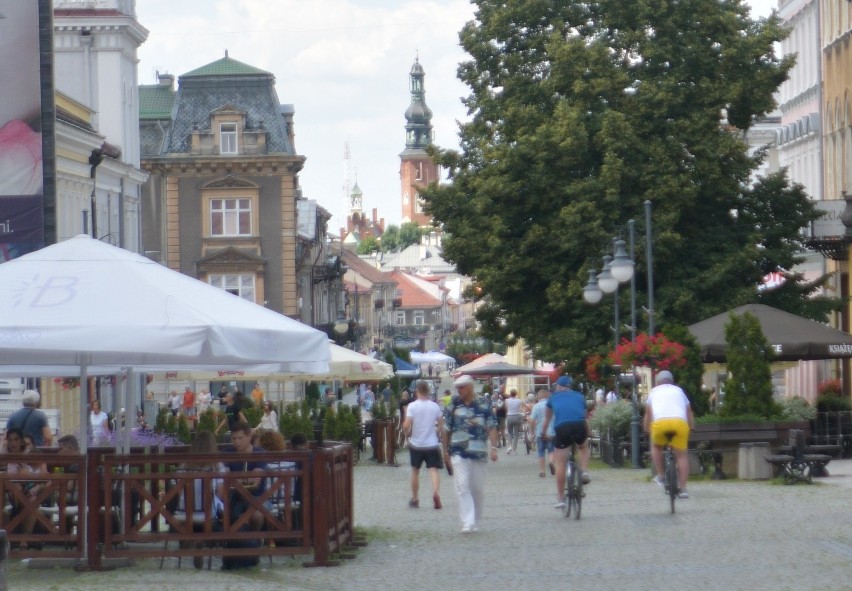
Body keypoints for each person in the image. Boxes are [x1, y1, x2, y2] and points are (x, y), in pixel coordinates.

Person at [442, 374, 498, 534]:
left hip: (478, 451)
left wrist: (494, 447)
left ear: (471, 387)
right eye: (457, 388)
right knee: (462, 486)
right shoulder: (453, 403)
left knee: (477, 489)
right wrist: (445, 451)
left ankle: (475, 518)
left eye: (462, 387)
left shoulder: (484, 403)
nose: (459, 390)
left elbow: (492, 426)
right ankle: (467, 521)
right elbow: (446, 428)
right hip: (458, 451)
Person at [540, 376, 591, 509]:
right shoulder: (579, 396)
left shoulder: (553, 398)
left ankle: (561, 498)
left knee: (560, 463)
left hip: (562, 428)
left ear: (559, 387)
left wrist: (543, 434)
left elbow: (547, 419)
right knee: (583, 446)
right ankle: (584, 472)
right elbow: (584, 417)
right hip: (579, 425)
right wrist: (588, 432)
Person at [644, 370, 695, 499]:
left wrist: (646, 428)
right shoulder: (679, 391)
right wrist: (691, 427)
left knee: (656, 447)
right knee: (681, 457)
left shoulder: (653, 392)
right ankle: (683, 490)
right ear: (672, 381)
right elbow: (689, 412)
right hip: (679, 423)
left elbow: (648, 414)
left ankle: (661, 475)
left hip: (660, 424)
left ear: (657, 382)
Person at [403, 380, 445, 510]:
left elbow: (406, 424)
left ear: (417, 392)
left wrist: (407, 434)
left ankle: (415, 499)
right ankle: (436, 493)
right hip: (431, 443)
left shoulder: (412, 406)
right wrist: (437, 432)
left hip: (416, 444)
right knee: (433, 470)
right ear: (428, 391)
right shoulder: (434, 406)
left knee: (415, 471)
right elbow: (441, 422)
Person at [3, 427, 47, 545]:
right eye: (10, 440)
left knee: (32, 501)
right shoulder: (3, 454)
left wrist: (30, 477)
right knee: (30, 502)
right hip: (7, 493)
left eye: (16, 439)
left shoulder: (29, 455)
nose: (13, 443)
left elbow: (43, 474)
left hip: (25, 491)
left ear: (21, 441)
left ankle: (24, 539)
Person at [529, 388, 555, 478]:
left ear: (538, 397)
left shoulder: (536, 406)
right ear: (547, 396)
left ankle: (542, 471)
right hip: (551, 432)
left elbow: (532, 421)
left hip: (540, 432)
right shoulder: (553, 405)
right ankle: (551, 461)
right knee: (552, 450)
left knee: (541, 452)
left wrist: (532, 432)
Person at [505, 389, 524, 454]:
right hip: (517, 416)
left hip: (509, 416)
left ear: (510, 394)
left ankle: (509, 446)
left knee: (510, 433)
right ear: (516, 394)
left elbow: (506, 408)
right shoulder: (519, 401)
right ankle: (514, 449)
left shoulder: (507, 400)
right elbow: (526, 406)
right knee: (516, 434)